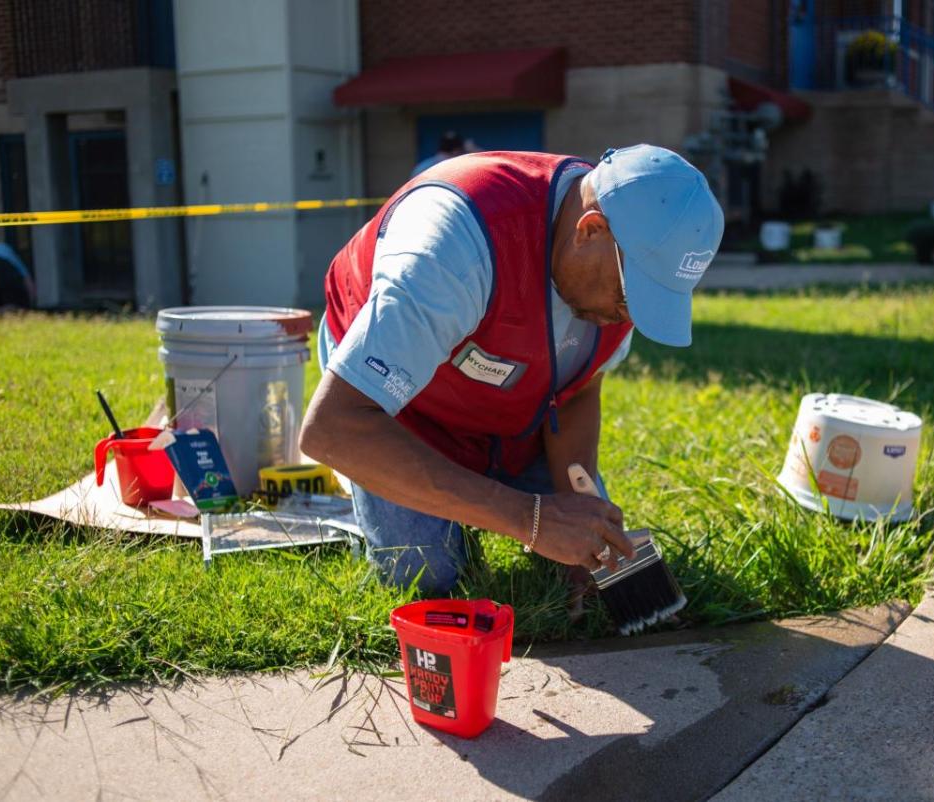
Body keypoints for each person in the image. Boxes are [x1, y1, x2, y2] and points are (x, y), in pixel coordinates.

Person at [300, 144, 724, 599]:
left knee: (583, 539)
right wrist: (532, 519)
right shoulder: (449, 248)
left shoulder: (612, 271)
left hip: (509, 406)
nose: (629, 318)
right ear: (591, 229)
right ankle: (363, 489)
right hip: (396, 409)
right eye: (628, 297)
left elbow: (578, 391)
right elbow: (332, 429)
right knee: (429, 578)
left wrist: (576, 515)